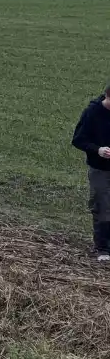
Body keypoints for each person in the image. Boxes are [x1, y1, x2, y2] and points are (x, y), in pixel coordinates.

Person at [71, 84, 110, 261]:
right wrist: (98, 150)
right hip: (100, 169)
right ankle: (102, 249)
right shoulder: (92, 113)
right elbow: (79, 139)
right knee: (102, 206)